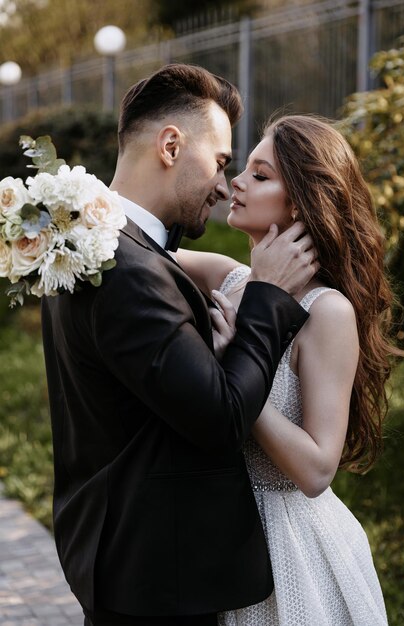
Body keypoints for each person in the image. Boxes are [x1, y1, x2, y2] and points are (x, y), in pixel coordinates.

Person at [41, 65, 319, 626]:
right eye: (220, 161)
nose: (225, 185)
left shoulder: (92, 245)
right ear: (171, 145)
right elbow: (221, 420)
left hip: (131, 559)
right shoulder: (127, 268)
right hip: (156, 578)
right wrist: (266, 296)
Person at [178, 114, 401, 625]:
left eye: (260, 175)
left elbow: (318, 468)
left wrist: (230, 373)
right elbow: (133, 246)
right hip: (218, 539)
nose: (235, 181)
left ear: (300, 201)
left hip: (292, 549)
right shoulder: (224, 276)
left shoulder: (327, 311)